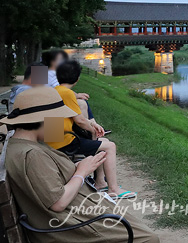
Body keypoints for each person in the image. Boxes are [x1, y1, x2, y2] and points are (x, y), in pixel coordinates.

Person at [0, 87, 159, 242]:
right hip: (71, 225)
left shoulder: (27, 145)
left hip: (78, 214)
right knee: (148, 238)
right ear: (43, 119)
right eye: (57, 119)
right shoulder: (32, 155)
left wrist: (79, 167)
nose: (59, 125)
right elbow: (58, 203)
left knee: (137, 228)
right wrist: (82, 171)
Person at [50, 60, 135, 200]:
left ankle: (100, 182)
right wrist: (94, 128)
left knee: (103, 142)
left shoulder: (55, 91)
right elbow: (80, 120)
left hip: (54, 138)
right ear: (77, 79)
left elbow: (74, 117)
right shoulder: (67, 93)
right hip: (64, 143)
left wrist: (92, 125)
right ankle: (114, 189)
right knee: (110, 146)